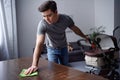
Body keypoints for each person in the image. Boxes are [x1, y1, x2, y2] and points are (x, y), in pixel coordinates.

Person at [25, 0, 88, 74]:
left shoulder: (66, 19)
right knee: (54, 72)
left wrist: (84, 36)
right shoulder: (42, 24)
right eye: (44, 16)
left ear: (56, 12)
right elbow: (39, 44)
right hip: (51, 50)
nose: (46, 19)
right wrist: (34, 65)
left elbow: (75, 29)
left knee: (65, 70)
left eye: (49, 15)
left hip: (64, 48)